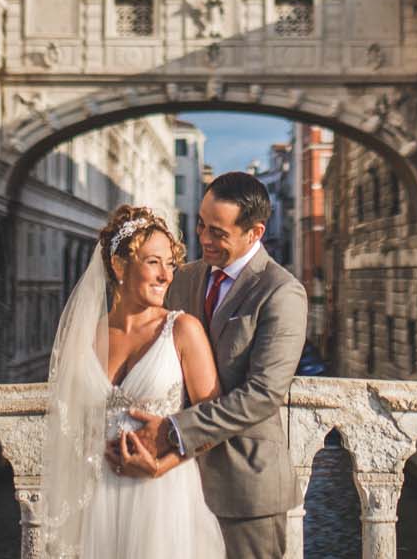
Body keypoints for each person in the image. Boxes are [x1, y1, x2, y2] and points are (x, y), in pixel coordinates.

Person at [110, 171, 309, 559]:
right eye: (201, 224)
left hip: (245, 489)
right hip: (173, 487)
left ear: (254, 233)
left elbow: (262, 395)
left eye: (218, 232)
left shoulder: (281, 292)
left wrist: (171, 431)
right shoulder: (184, 278)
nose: (203, 239)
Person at [40, 203, 226, 558]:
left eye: (170, 264)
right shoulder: (83, 336)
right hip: (97, 502)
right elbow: (68, 423)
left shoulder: (183, 330)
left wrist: (159, 465)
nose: (166, 276)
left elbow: (213, 422)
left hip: (163, 496)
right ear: (119, 265)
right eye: (153, 262)